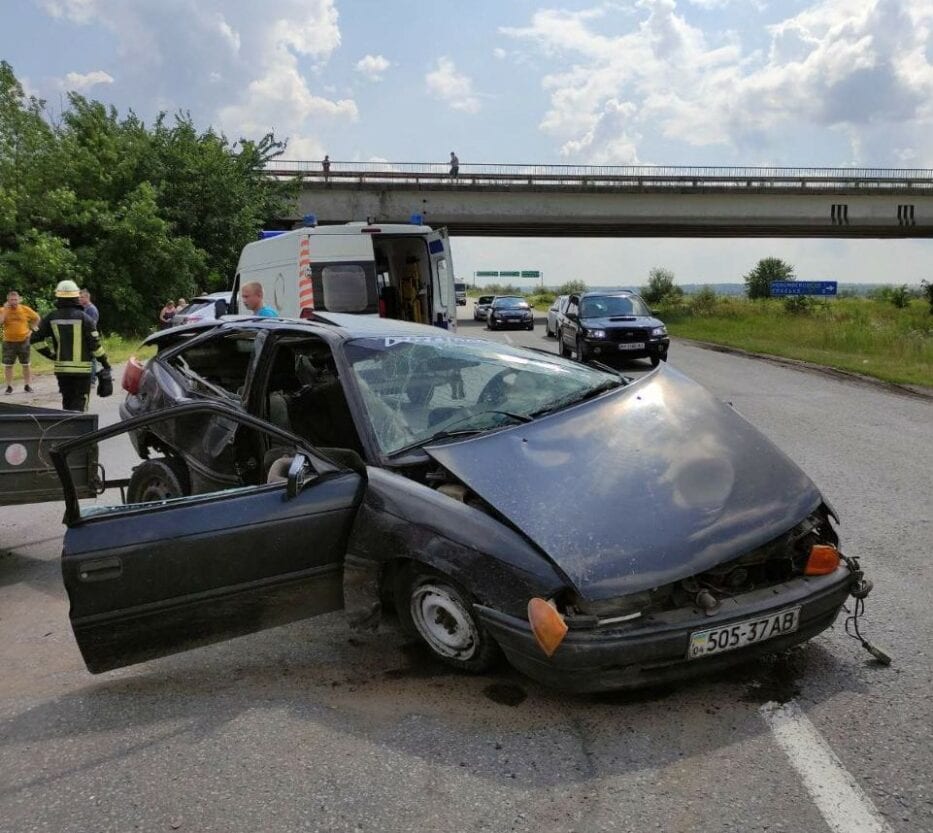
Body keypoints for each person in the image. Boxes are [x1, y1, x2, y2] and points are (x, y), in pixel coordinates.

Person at [33, 280, 111, 411]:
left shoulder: (51, 317)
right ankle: (80, 430)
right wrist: (105, 363)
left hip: (62, 370)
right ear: (76, 297)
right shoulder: (86, 318)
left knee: (67, 401)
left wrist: (51, 355)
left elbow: (35, 339)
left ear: (58, 297)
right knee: (81, 401)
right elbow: (95, 347)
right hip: (82, 372)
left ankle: (68, 429)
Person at [0, 290, 40, 394]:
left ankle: (27, 385)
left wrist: (32, 330)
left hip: (23, 340)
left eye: (15, 299)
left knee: (26, 364)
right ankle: (9, 386)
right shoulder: (3, 310)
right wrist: (4, 310)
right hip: (8, 341)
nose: (14, 301)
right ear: (8, 300)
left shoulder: (25, 309)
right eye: (11, 299)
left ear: (19, 300)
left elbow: (37, 318)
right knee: (8, 365)